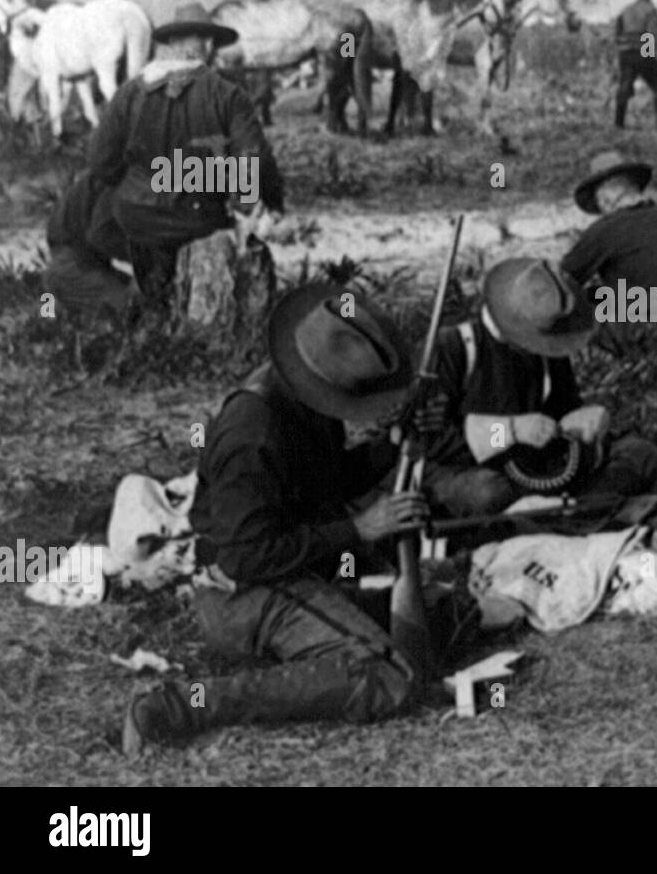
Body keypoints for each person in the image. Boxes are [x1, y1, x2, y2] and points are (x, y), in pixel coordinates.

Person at [122, 284, 465, 755]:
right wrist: (359, 530)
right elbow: (246, 556)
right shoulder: (253, 432)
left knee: (447, 612)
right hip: (244, 592)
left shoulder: (298, 394)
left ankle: (317, 656)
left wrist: (395, 444)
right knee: (386, 677)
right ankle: (183, 705)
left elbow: (325, 483)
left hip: (288, 573)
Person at [45, 3, 283, 323]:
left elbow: (100, 160)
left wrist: (132, 181)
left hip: (135, 216)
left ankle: (151, 311)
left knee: (145, 270)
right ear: (209, 45)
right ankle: (173, 311)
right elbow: (251, 161)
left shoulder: (130, 93)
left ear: (171, 45)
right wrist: (246, 210)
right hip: (199, 218)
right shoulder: (229, 96)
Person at [421, 257, 657, 517]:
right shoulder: (453, 346)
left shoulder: (546, 345)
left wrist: (585, 421)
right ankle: (570, 512)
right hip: (472, 471)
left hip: (538, 467)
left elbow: (564, 407)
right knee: (488, 492)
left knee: (643, 455)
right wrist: (509, 432)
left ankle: (565, 513)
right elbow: (432, 440)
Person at [561, 150, 657, 352]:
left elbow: (561, 281)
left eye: (598, 202)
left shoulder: (606, 229)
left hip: (651, 335)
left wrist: (577, 249)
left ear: (605, 197)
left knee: (572, 308)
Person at [613, 0, 657, 130]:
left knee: (624, 86)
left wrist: (621, 52)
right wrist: (656, 58)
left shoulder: (625, 10)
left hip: (626, 53)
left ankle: (618, 123)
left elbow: (617, 33)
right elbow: (652, 35)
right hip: (643, 52)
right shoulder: (650, 10)